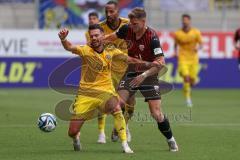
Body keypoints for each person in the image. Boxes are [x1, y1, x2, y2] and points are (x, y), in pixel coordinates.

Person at [105, 7, 179, 152]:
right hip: (132, 71)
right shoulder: (127, 29)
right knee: (117, 104)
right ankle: (119, 128)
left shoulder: (152, 37)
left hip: (149, 75)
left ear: (143, 22)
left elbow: (160, 64)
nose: (132, 26)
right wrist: (99, 40)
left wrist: (144, 75)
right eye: (131, 23)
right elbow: (112, 36)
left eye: (135, 24)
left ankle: (171, 140)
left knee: (156, 113)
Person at [58, 24, 135, 153]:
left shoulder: (111, 50)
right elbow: (69, 47)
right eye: (91, 35)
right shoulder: (85, 50)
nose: (93, 38)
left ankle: (124, 144)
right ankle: (76, 138)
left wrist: (147, 63)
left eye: (96, 35)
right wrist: (63, 39)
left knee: (116, 108)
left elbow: (128, 59)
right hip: (86, 94)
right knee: (72, 132)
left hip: (106, 91)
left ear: (103, 36)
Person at [98, 1, 134, 143]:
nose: (108, 14)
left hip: (128, 70)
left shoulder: (128, 25)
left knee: (130, 108)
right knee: (114, 103)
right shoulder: (101, 28)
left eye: (111, 11)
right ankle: (115, 130)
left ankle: (120, 127)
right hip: (109, 72)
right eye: (106, 11)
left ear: (118, 11)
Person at [174, 14, 203, 107]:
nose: (184, 21)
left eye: (186, 20)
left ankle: (187, 86)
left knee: (192, 81)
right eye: (183, 20)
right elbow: (175, 45)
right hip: (183, 58)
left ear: (189, 21)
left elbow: (201, 44)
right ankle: (188, 99)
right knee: (186, 78)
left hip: (194, 59)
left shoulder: (196, 32)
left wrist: (198, 48)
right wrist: (175, 52)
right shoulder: (178, 33)